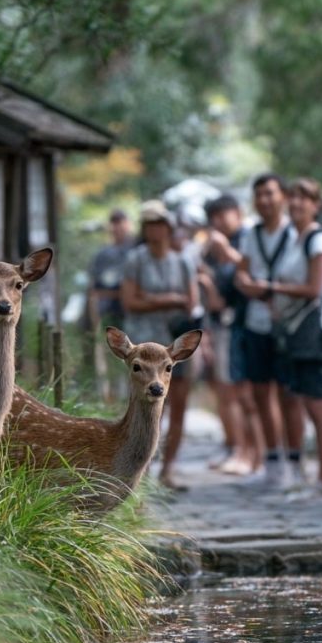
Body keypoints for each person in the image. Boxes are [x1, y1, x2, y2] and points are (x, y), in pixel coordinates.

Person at [268, 178, 322, 497]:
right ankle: (308, 476)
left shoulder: (318, 240)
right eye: (293, 197)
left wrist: (272, 289)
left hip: (313, 330)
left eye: (304, 198)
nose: (296, 203)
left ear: (316, 205)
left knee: (319, 405)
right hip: (294, 332)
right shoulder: (293, 239)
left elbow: (314, 288)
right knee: (301, 402)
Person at [120, 200, 200, 491]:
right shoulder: (136, 259)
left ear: (168, 228)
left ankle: (168, 469)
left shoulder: (183, 261)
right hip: (143, 344)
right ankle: (145, 472)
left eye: (160, 224)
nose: (155, 230)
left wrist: (151, 299)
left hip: (175, 346)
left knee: (177, 405)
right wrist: (171, 299)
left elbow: (191, 303)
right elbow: (130, 301)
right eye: (149, 224)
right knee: (147, 407)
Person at [234, 174, 295, 488]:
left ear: (282, 196)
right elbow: (240, 273)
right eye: (259, 195)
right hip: (257, 321)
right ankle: (272, 458)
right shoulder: (251, 235)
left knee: (289, 394)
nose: (264, 200)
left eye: (270, 193)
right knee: (260, 391)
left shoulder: (295, 232)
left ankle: (294, 458)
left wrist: (268, 287)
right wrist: (250, 286)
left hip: (289, 322)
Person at [200, 195, 264, 476]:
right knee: (236, 392)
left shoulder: (247, 239)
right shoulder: (215, 249)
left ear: (238, 212)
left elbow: (255, 273)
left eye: (222, 214)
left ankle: (257, 454)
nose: (218, 221)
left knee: (250, 394)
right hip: (231, 324)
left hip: (252, 324)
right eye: (213, 217)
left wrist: (226, 252)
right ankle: (244, 451)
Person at [88, 209, 134, 402]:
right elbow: (94, 290)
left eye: (121, 222)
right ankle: (113, 403)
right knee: (111, 360)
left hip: (133, 314)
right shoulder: (102, 255)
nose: (118, 227)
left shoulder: (137, 251)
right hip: (108, 313)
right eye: (114, 222)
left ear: (129, 224)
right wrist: (94, 319)